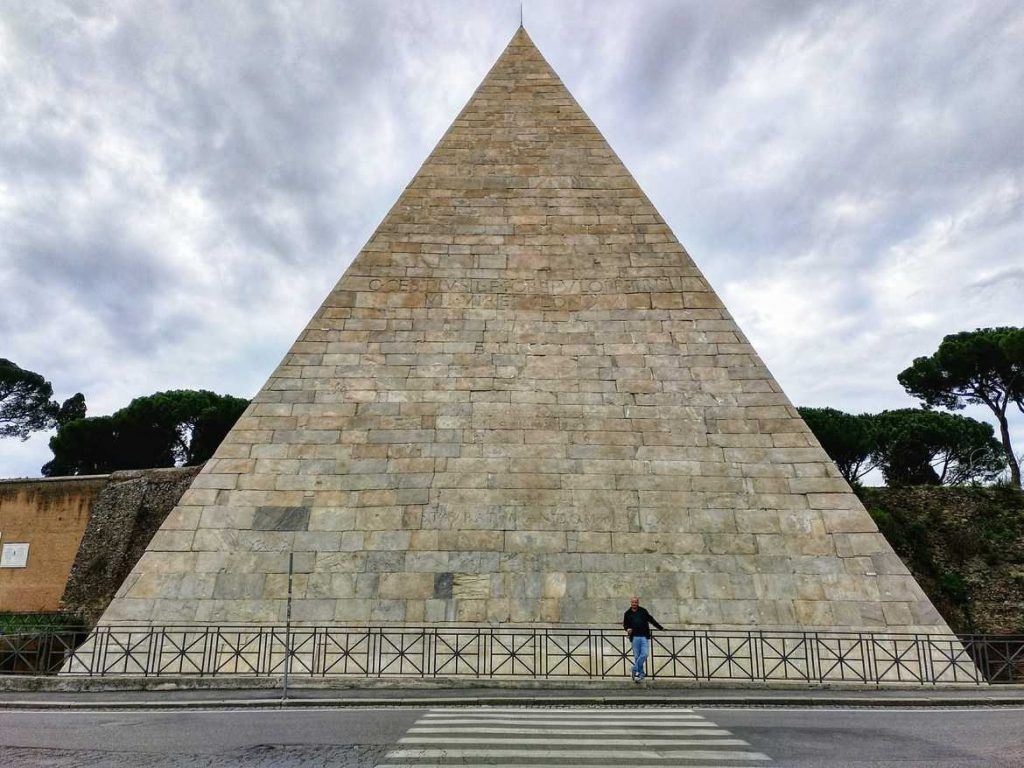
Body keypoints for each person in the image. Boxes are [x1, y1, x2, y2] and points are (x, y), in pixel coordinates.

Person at [622, 596, 664, 683]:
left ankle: (634, 669)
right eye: (633, 602)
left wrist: (660, 628)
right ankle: (641, 675)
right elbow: (625, 624)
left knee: (644, 654)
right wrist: (627, 629)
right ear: (631, 603)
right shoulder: (627, 613)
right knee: (637, 657)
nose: (634, 604)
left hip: (644, 636)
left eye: (636, 602)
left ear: (638, 603)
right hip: (634, 637)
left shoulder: (643, 611)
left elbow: (651, 620)